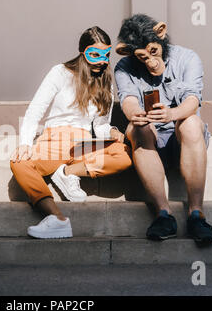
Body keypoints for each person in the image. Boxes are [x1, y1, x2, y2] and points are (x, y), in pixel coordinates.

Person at [10, 26, 132, 239]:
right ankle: (56, 218)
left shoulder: (105, 82)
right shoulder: (60, 72)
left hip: (82, 145)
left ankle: (67, 173)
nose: (102, 61)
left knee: (123, 156)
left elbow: (101, 125)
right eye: (95, 54)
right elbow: (35, 110)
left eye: (106, 55)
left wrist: (112, 131)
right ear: (82, 51)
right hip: (54, 142)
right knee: (19, 162)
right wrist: (25, 143)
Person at [114, 14, 212, 244]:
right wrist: (135, 115)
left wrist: (171, 114)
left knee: (190, 123)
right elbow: (128, 99)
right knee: (136, 128)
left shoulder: (187, 58)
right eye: (142, 57)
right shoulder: (124, 67)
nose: (150, 62)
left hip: (184, 140)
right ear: (130, 53)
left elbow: (192, 100)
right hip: (150, 140)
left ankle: (196, 213)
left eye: (153, 52)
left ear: (161, 34)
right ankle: (163, 214)